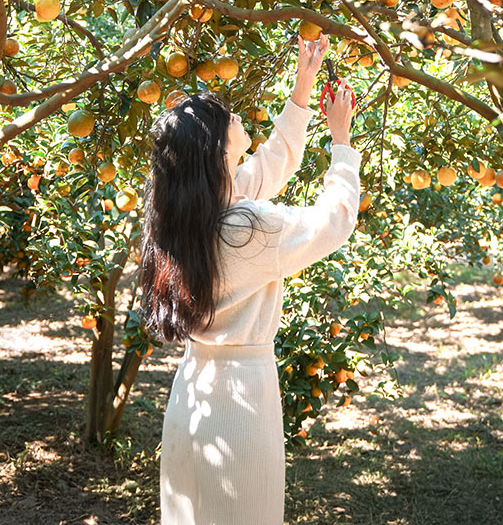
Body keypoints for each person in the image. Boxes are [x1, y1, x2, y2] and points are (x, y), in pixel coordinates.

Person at [139, 33, 360, 525]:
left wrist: (302, 89)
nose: (237, 117)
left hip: (194, 388)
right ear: (218, 150)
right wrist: (341, 144)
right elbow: (335, 220)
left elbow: (272, 163)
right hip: (240, 398)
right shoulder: (244, 227)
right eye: (227, 117)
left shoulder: (186, 214)